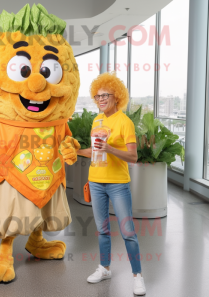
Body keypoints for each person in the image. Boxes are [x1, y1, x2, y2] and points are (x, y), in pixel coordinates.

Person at [78, 72, 146, 295]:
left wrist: (111, 149)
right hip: (96, 182)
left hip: (118, 183)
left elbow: (133, 157)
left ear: (117, 96)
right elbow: (95, 151)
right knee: (102, 230)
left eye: (106, 95)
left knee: (128, 232)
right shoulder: (97, 120)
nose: (102, 99)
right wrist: (76, 151)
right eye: (98, 96)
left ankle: (137, 276)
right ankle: (104, 268)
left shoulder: (125, 122)